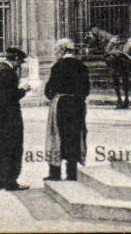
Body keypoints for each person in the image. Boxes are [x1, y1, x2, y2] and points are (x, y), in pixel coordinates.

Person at [43, 39, 90, 181]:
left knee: (56, 136)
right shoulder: (81, 66)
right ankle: (72, 173)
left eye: (57, 50)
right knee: (74, 137)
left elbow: (49, 89)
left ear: (62, 50)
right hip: (77, 105)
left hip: (61, 105)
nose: (56, 52)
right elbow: (86, 90)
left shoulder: (58, 66)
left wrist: (51, 96)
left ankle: (55, 173)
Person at [0, 46, 29, 191]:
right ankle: (11, 181)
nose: (19, 66)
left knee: (2, 149)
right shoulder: (9, 74)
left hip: (0, 118)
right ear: (16, 59)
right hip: (11, 118)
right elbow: (11, 97)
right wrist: (23, 89)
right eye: (20, 62)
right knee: (14, 149)